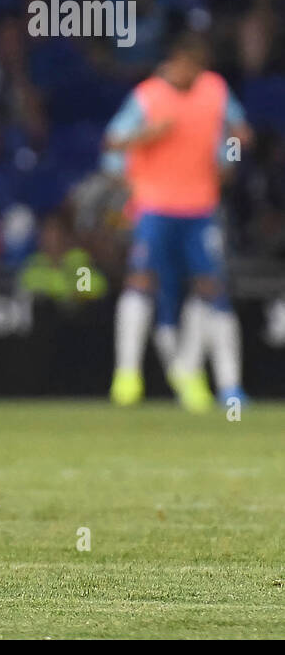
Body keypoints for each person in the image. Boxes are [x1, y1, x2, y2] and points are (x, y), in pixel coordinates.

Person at [105, 32, 253, 410]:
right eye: (189, 63)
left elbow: (240, 133)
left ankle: (225, 385)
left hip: (200, 208)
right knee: (142, 281)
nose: (195, 72)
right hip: (154, 205)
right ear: (174, 61)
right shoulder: (148, 95)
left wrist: (230, 158)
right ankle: (127, 378)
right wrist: (148, 136)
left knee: (210, 288)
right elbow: (113, 142)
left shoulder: (215, 89)